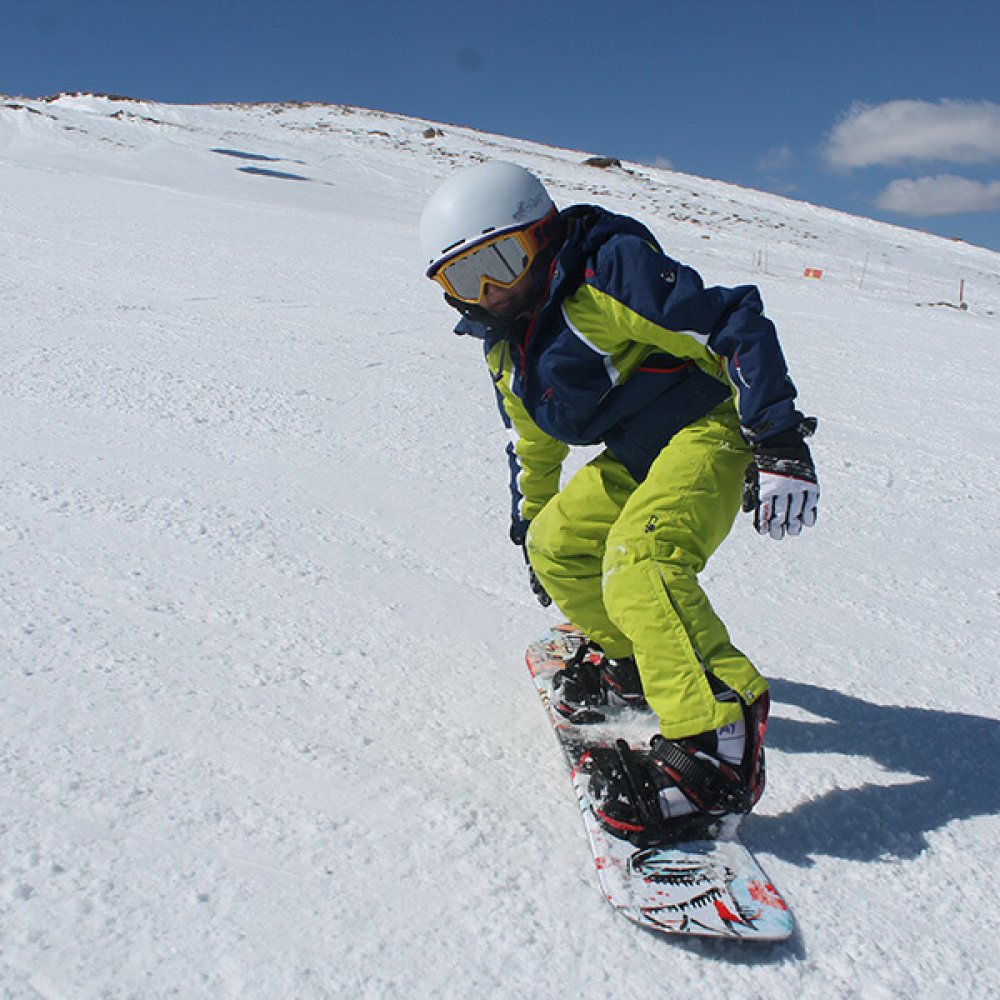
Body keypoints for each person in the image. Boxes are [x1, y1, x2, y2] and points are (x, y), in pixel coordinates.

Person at [419, 160, 819, 841]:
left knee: (643, 560)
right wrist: (528, 527)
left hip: (711, 425)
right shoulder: (506, 350)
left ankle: (718, 742)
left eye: (502, 262)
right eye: (464, 277)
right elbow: (532, 445)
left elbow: (729, 323)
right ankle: (634, 661)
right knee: (557, 544)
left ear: (541, 237)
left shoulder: (603, 278)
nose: (489, 291)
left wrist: (777, 437)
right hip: (640, 447)